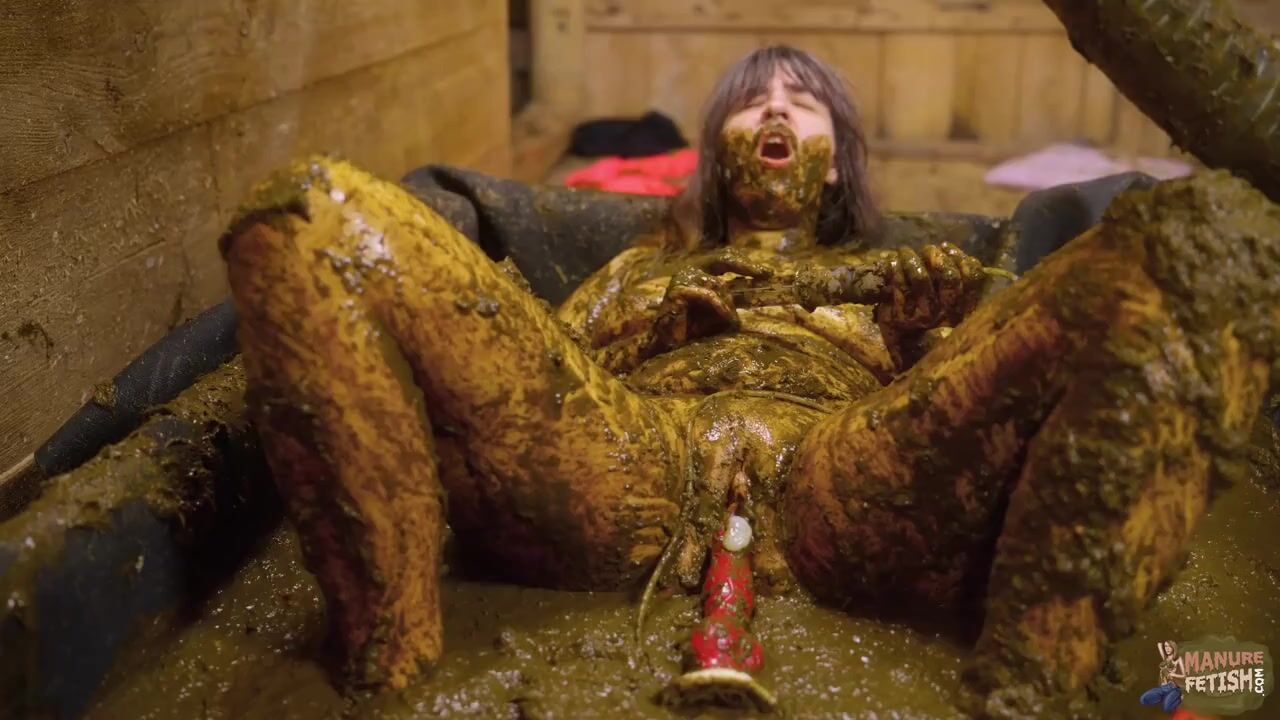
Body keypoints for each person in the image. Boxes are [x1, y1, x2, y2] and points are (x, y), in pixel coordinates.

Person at [220, 44, 1280, 717]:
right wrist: (636, 322)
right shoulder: (641, 265)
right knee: (307, 215)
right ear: (716, 151)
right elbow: (518, 384)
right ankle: (387, 671)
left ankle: (1030, 696)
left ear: (837, 156)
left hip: (839, 472)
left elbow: (1000, 430)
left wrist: (926, 333)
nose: (776, 112)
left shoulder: (896, 277)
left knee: (1210, 240)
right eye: (752, 101)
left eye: (803, 102)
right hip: (637, 459)